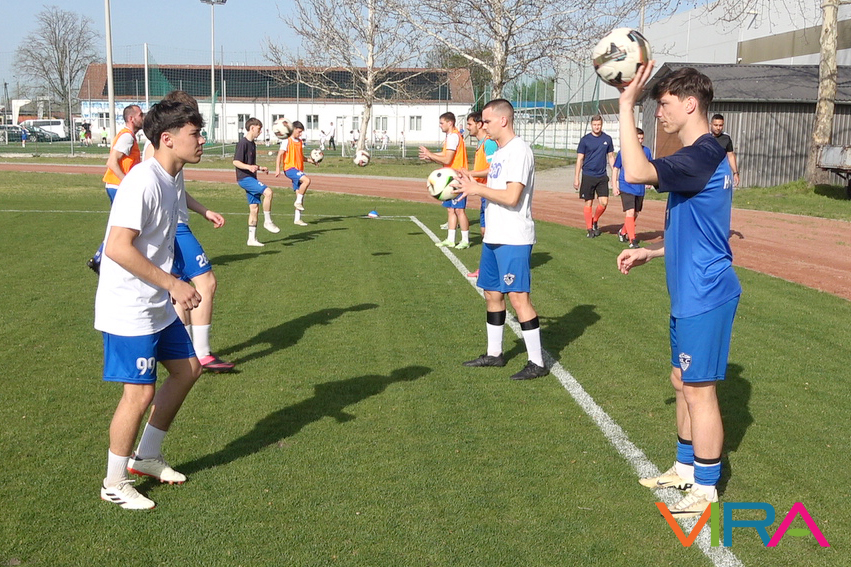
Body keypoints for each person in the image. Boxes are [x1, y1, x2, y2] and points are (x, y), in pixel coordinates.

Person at [616, 64, 742, 518]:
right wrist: (651, 252)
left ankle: (705, 489)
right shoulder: (703, 155)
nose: (659, 112)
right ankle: (685, 467)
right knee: (681, 381)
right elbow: (700, 228)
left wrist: (626, 104)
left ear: (690, 104)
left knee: (699, 392)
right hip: (691, 292)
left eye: (664, 103)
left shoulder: (700, 155)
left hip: (705, 294)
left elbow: (634, 170)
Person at [95, 98, 207, 509]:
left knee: (188, 369)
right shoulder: (143, 180)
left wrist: (172, 284)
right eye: (195, 134)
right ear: (167, 139)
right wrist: (173, 284)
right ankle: (114, 482)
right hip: (129, 306)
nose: (202, 140)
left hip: (155, 300)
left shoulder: (171, 178)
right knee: (139, 394)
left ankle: (147, 456)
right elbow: (117, 247)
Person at [454, 99, 548, 381]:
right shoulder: (501, 151)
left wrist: (476, 189)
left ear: (503, 120)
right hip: (495, 235)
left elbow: (511, 196)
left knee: (518, 298)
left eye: (487, 121)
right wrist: (472, 176)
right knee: (492, 294)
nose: (483, 126)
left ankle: (537, 362)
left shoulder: (519, 151)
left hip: (513, 237)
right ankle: (494, 354)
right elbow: (494, 176)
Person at [142, 91, 234, 373]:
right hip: (175, 228)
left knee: (180, 292)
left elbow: (177, 191)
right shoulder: (156, 153)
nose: (199, 137)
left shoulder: (172, 155)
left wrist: (204, 211)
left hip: (176, 224)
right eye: (194, 129)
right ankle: (202, 352)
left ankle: (185, 354)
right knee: (207, 282)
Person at [87, 105, 145, 273]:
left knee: (121, 225)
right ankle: (103, 259)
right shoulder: (126, 137)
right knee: (125, 226)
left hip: (116, 186)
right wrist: (127, 183)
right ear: (131, 119)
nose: (143, 117)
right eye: (140, 114)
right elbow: (112, 162)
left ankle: (100, 259)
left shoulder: (128, 136)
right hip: (118, 187)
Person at [419, 112, 470, 249]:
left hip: (457, 178)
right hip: (450, 178)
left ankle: (465, 240)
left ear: (450, 123)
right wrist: (430, 156)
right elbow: (445, 154)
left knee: (459, 210)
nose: (440, 125)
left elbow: (447, 159)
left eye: (442, 123)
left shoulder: (453, 136)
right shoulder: (450, 136)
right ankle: (450, 239)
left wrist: (430, 154)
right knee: (451, 210)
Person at [233, 117, 280, 247]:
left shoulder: (252, 144)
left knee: (254, 208)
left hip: (251, 178)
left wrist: (259, 168)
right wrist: (249, 167)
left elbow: (251, 164)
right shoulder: (243, 143)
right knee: (268, 192)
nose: (260, 132)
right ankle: (268, 221)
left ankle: (251, 239)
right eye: (259, 129)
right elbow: (236, 162)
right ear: (252, 128)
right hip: (244, 178)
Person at [464, 111, 499, 278]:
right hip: (483, 192)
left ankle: (490, 268)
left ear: (479, 124)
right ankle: (487, 267)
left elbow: (493, 169)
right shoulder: (481, 144)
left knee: (490, 232)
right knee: (486, 231)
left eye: (469, 124)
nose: (467, 127)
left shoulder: (489, 143)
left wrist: (471, 174)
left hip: (489, 192)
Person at [574, 115, 615, 238]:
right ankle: (589, 228)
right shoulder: (585, 140)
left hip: (602, 175)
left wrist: (615, 173)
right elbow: (580, 159)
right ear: (591, 125)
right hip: (588, 175)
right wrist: (576, 177)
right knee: (589, 203)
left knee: (604, 202)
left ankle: (595, 220)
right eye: (595, 125)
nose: (597, 127)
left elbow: (611, 157)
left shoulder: (607, 139)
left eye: (599, 125)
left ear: (602, 125)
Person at [612, 127, 652, 249]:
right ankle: (632, 240)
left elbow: (650, 166)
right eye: (637, 138)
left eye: (641, 138)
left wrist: (650, 180)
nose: (640, 141)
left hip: (639, 187)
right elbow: (616, 168)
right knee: (629, 212)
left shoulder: (646, 151)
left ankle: (623, 232)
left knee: (635, 213)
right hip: (626, 185)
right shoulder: (624, 152)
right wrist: (614, 185)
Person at [275, 120, 318, 227]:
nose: (300, 134)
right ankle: (297, 202)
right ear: (293, 129)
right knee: (307, 180)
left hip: (298, 170)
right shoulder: (287, 140)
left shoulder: (299, 142)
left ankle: (297, 219)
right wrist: (277, 168)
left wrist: (311, 161)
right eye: (299, 131)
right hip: (290, 168)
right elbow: (280, 155)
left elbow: (300, 157)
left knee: (300, 194)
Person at [711, 114, 740, 187]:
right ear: (711, 124)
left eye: (720, 125)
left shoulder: (726, 138)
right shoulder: (705, 137)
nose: (718, 128)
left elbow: (730, 155)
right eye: (716, 125)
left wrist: (735, 173)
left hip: (721, 173)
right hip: (706, 173)